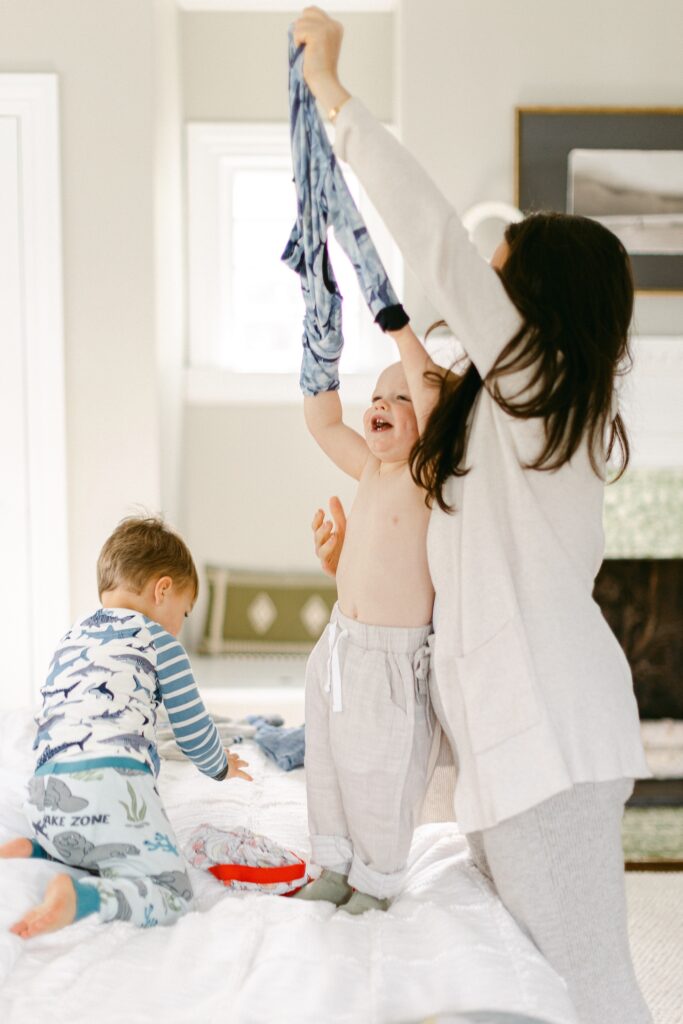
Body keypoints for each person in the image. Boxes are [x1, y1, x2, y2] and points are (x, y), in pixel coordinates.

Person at [294, 7, 652, 1022]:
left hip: (545, 746)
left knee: (581, 983)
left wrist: (332, 94)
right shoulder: (508, 420)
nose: (475, 292)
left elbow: (433, 237)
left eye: (498, 282)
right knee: (528, 981)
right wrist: (350, 566)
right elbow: (453, 575)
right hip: (518, 749)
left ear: (537, 309)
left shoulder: (537, 386)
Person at [2, 515, 251, 939]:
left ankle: (38, 849)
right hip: (112, 789)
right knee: (173, 893)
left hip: (45, 797)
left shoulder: (70, 638)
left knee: (91, 834)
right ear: (163, 589)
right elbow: (193, 728)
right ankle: (85, 898)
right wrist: (220, 766)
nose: (180, 625)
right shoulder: (160, 642)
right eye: (184, 613)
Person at [294, 357, 438, 915]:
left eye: (402, 399)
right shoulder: (372, 470)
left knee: (379, 771)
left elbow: (437, 407)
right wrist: (318, 349)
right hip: (338, 646)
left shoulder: (428, 473)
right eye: (377, 395)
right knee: (326, 762)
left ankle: (376, 880)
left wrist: (403, 333)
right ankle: (333, 862)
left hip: (390, 664)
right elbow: (324, 423)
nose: (381, 405)